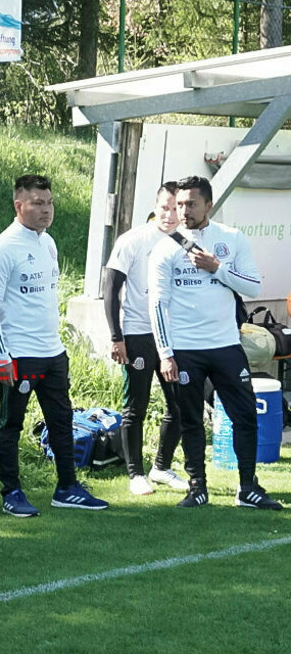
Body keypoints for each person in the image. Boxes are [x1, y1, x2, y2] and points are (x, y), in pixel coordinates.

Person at [148, 175, 282, 510]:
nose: (184, 210)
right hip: (185, 350)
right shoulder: (166, 247)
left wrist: (217, 267)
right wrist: (165, 353)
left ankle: (248, 487)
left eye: (191, 204)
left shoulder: (231, 238)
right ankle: (197, 487)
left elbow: (252, 287)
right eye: (179, 204)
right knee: (191, 419)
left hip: (226, 346)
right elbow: (158, 305)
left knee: (245, 416)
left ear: (209, 204)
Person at [0, 174, 109, 517]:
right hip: (18, 355)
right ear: (19, 205)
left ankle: (67, 487)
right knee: (11, 424)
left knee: (62, 419)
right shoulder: (2, 249)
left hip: (53, 352)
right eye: (37, 203)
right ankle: (12, 492)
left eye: (49, 203)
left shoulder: (47, 243)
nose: (46, 210)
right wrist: (0, 356)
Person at [103, 182, 189, 495]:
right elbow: (110, 288)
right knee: (135, 408)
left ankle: (162, 467)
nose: (170, 215)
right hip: (138, 334)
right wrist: (116, 336)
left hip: (174, 337)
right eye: (164, 207)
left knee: (180, 406)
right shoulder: (134, 240)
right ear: (156, 207)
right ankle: (135, 474)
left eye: (175, 208)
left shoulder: (186, 243)